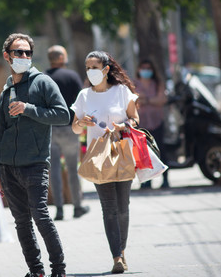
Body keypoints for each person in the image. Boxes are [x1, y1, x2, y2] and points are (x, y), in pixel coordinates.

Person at [0, 33, 69, 277]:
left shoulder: (43, 82)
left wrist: (29, 109)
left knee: (41, 216)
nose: (24, 56)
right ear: (7, 56)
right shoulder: (6, 91)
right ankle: (36, 271)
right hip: (8, 168)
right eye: (18, 52)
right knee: (22, 222)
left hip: (35, 164)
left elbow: (63, 115)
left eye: (28, 53)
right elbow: (1, 133)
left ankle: (59, 269)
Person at [71, 51, 140, 274]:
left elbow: (135, 119)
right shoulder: (83, 96)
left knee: (122, 207)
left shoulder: (121, 92)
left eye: (95, 66)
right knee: (108, 208)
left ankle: (122, 250)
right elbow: (75, 128)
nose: (91, 71)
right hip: (97, 158)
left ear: (106, 69)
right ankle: (117, 256)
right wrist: (80, 122)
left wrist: (124, 126)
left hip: (122, 153)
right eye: (87, 67)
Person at [45, 45, 90, 221]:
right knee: (72, 168)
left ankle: (59, 208)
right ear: (63, 57)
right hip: (71, 127)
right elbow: (81, 100)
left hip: (50, 128)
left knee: (53, 169)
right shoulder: (71, 76)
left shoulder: (43, 78)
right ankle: (77, 206)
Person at [132, 59, 168, 189]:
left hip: (157, 121)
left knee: (161, 150)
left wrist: (146, 99)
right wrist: (150, 100)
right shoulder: (134, 84)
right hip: (141, 123)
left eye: (148, 68)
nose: (145, 70)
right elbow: (134, 99)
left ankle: (165, 179)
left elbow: (161, 99)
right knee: (143, 153)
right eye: (143, 68)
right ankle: (146, 180)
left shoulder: (157, 84)